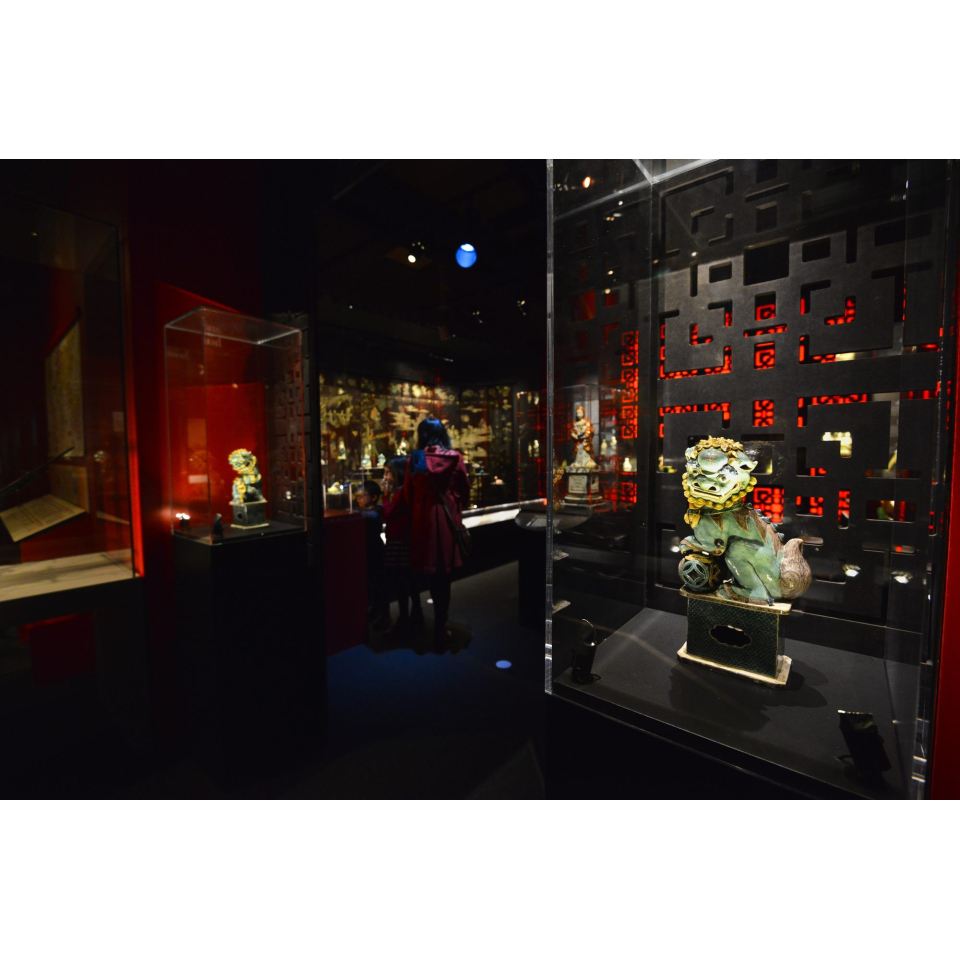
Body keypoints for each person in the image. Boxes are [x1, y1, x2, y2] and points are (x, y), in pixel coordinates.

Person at [404, 418, 470, 642]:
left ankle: (416, 615)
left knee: (422, 575)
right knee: (444, 579)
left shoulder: (415, 459)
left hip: (422, 525)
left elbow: (407, 495)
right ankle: (440, 629)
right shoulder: (455, 458)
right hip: (447, 525)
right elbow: (465, 490)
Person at [382, 456, 423, 633]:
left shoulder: (400, 493)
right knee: (408, 578)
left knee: (401, 581)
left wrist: (384, 498)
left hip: (398, 541)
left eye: (387, 472)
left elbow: (388, 515)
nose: (385, 477)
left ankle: (403, 619)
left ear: (397, 473)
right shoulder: (405, 491)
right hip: (405, 539)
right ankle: (416, 613)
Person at [357, 479, 390, 631]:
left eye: (363, 495)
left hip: (376, 550)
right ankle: (376, 610)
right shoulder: (368, 511)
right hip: (369, 550)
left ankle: (385, 614)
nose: (359, 499)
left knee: (380, 584)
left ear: (374, 497)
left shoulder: (376, 510)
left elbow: (372, 515)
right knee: (372, 583)